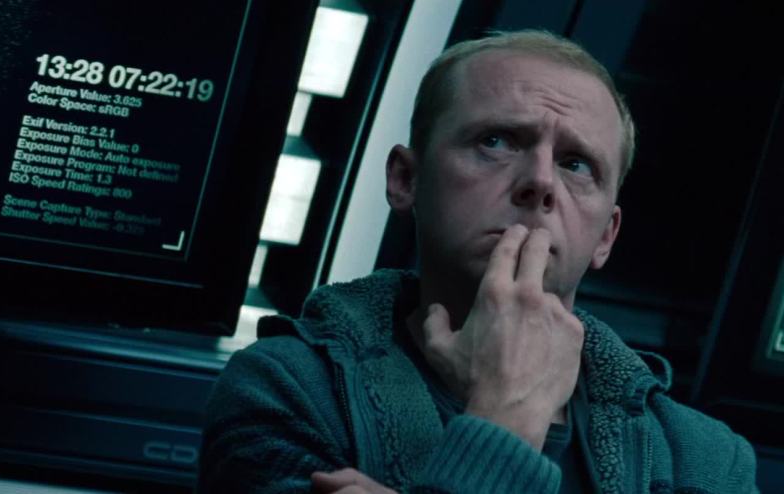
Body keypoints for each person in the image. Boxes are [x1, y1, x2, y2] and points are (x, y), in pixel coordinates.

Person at [198, 30, 758, 493]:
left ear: (606, 236)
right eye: (497, 140)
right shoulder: (287, 389)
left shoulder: (705, 459)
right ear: (405, 179)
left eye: (576, 164)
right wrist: (508, 416)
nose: (540, 181)